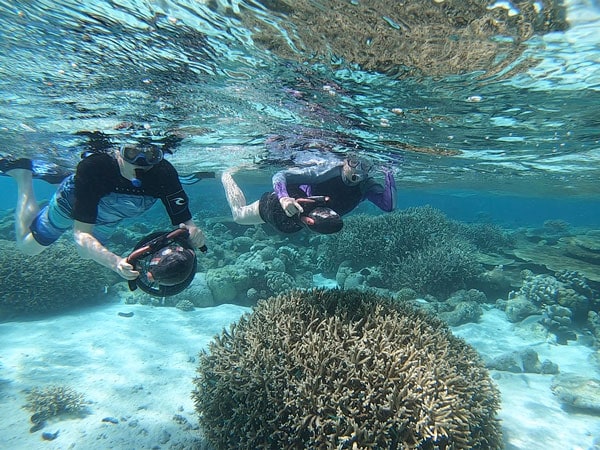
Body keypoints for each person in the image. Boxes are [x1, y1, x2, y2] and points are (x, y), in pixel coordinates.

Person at [0, 142, 206, 281]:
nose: (140, 162)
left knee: (85, 254)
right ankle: (23, 175)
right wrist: (115, 262)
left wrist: (193, 231)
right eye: (132, 153)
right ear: (118, 150)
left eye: (151, 155)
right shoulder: (95, 167)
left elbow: (185, 222)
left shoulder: (164, 173)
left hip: (111, 218)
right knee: (28, 247)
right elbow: (81, 234)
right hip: (69, 207)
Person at [221, 153, 396, 234]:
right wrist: (283, 198)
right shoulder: (326, 172)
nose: (357, 169)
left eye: (365, 166)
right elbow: (280, 175)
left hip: (301, 222)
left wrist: (389, 173)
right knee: (238, 216)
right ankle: (225, 175)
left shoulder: (367, 186)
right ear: (345, 160)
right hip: (287, 205)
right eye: (354, 161)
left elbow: (389, 206)